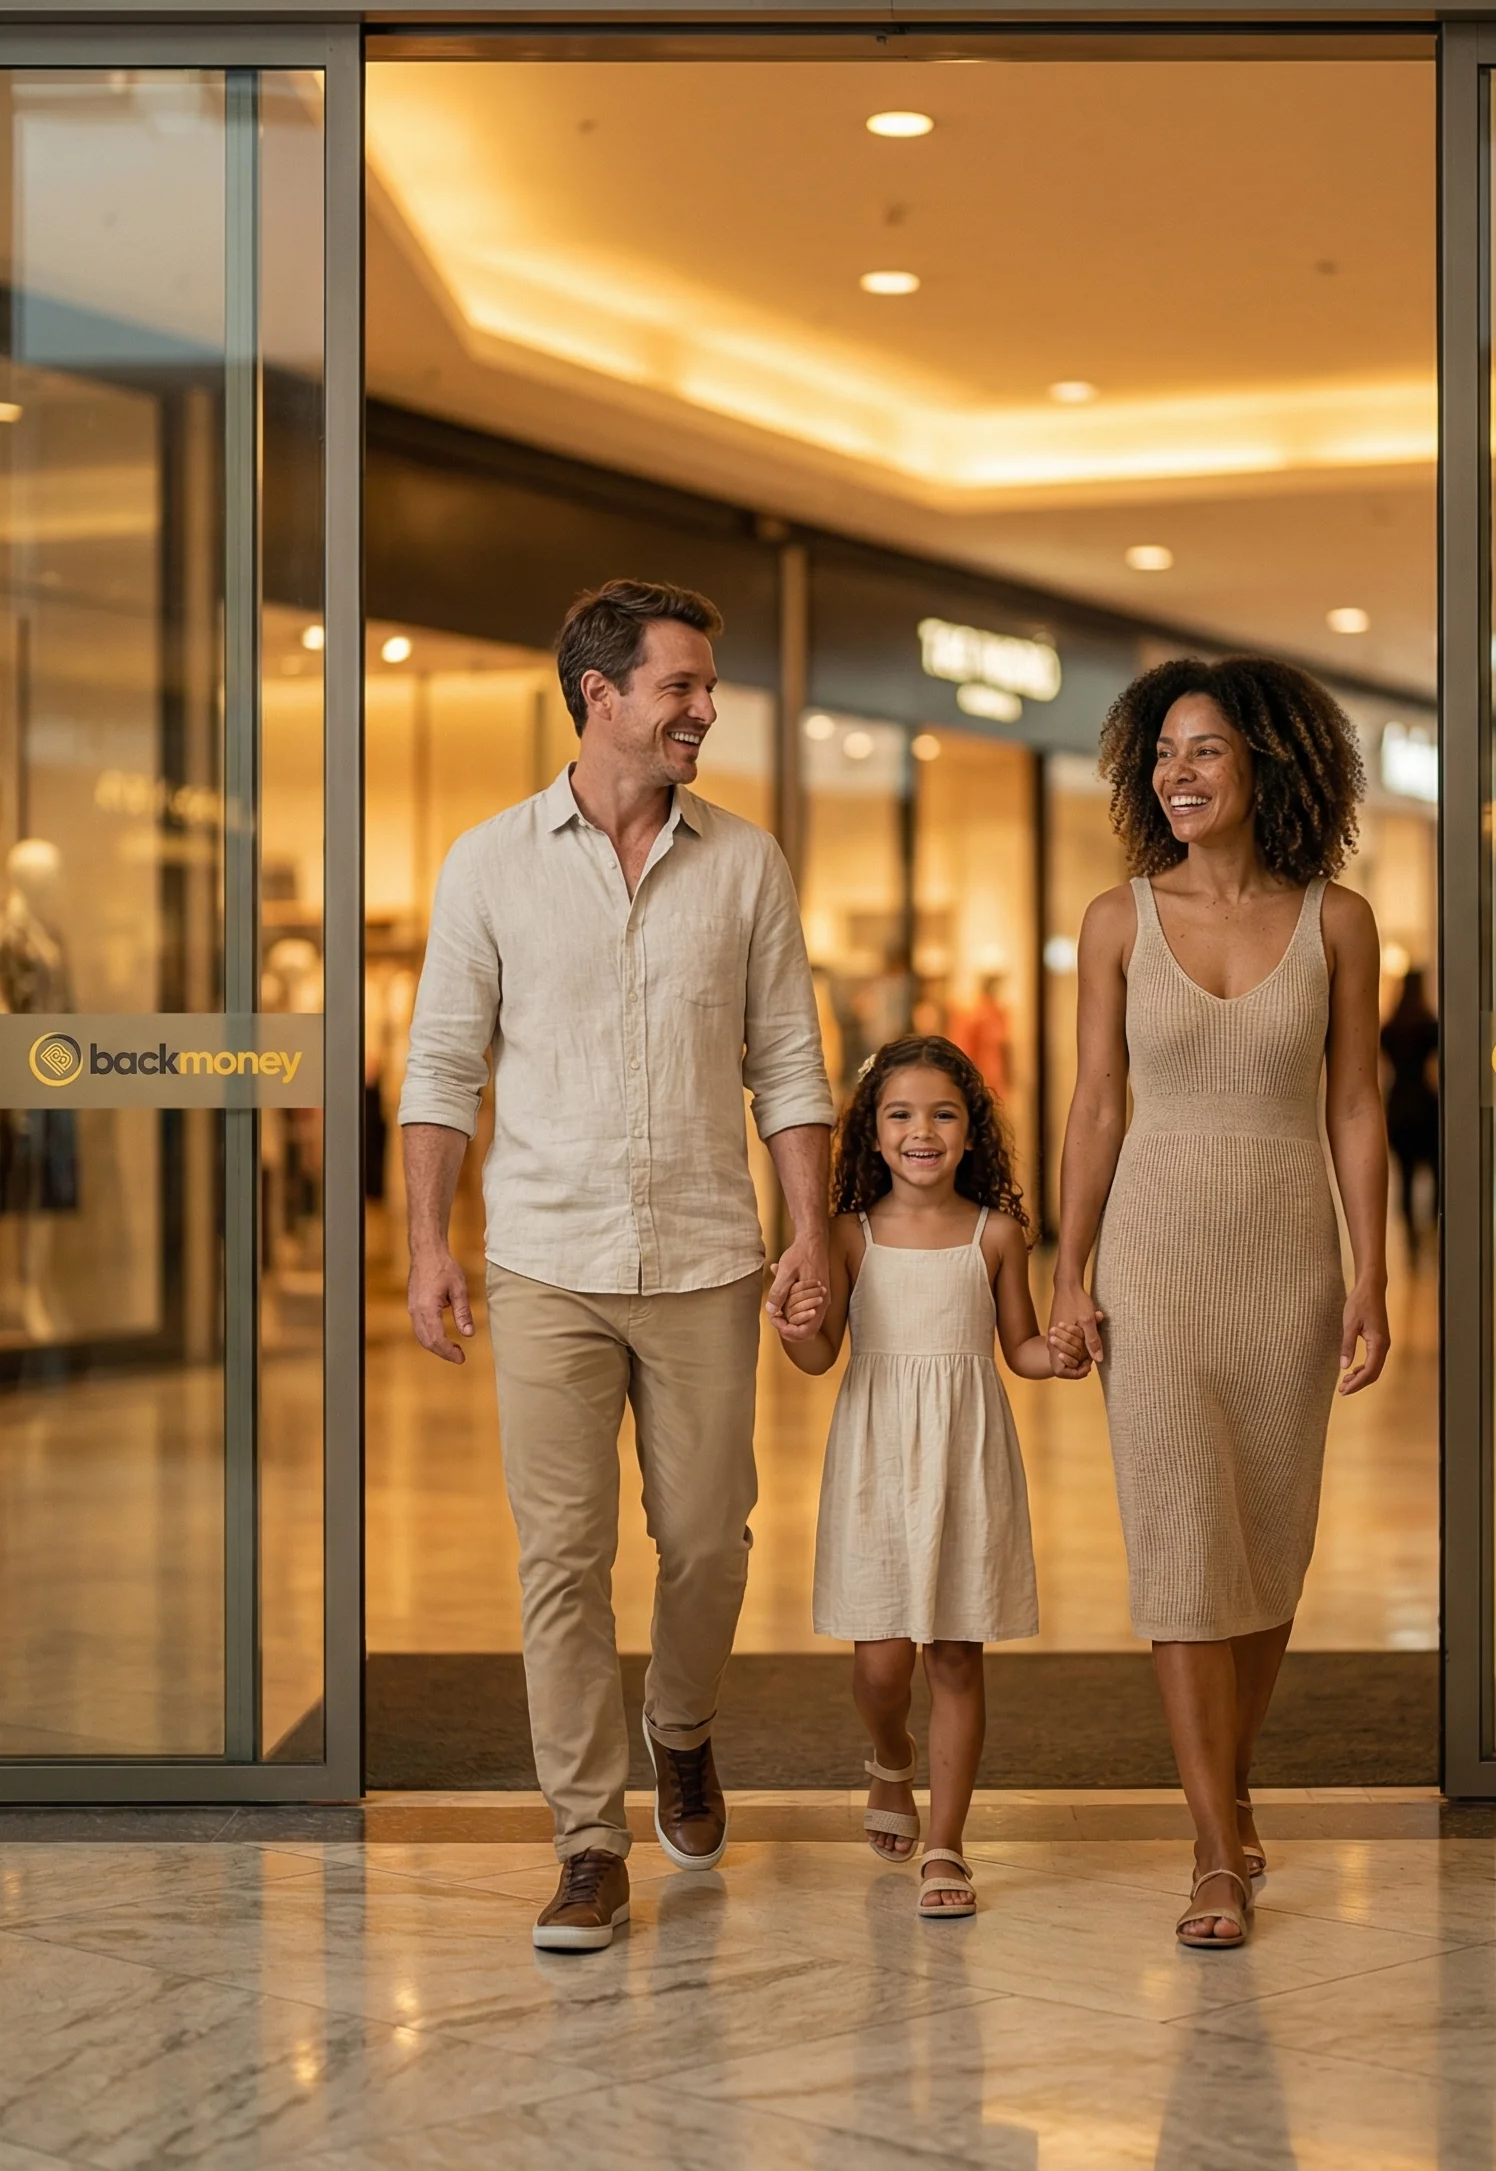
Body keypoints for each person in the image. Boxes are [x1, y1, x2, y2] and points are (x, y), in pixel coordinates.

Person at [399, 579, 835, 1953]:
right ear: (601, 695)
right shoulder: (489, 864)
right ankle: (586, 1841)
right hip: (546, 1258)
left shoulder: (746, 864)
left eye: (707, 687)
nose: (704, 710)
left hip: (706, 1255)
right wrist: (426, 1243)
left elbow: (789, 1064)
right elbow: (441, 1067)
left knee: (708, 1538)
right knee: (562, 1559)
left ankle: (681, 1725)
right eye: (680, 687)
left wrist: (812, 1228)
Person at [1049, 657, 1389, 1952]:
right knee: (1183, 1547)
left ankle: (1230, 1788)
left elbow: (1353, 1105)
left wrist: (1373, 1271)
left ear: (1266, 764)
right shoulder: (1116, 920)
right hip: (1152, 1268)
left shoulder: (1337, 921)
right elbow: (1095, 1104)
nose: (1176, 775)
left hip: (1288, 1268)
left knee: (1265, 1546)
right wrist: (1069, 1270)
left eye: (1203, 751)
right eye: (1161, 754)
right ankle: (1211, 1848)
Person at [773, 1033, 1073, 1918]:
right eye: (900, 1114)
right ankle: (891, 1756)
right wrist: (791, 1329)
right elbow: (821, 1356)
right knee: (880, 1667)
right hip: (874, 1460)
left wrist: (1059, 1354)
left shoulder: (997, 1236)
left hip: (964, 1461)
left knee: (953, 1653)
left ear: (972, 1131)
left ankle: (947, 1844)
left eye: (943, 1114)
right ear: (872, 1133)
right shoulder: (849, 1236)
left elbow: (1019, 1348)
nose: (922, 1131)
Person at [1380, 966, 1439, 1266]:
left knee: (1404, 1177)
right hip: (1426, 1105)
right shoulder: (1430, 1026)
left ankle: (1412, 1242)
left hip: (1399, 1105)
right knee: (1436, 1173)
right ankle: (1433, 1229)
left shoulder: (1391, 1028)